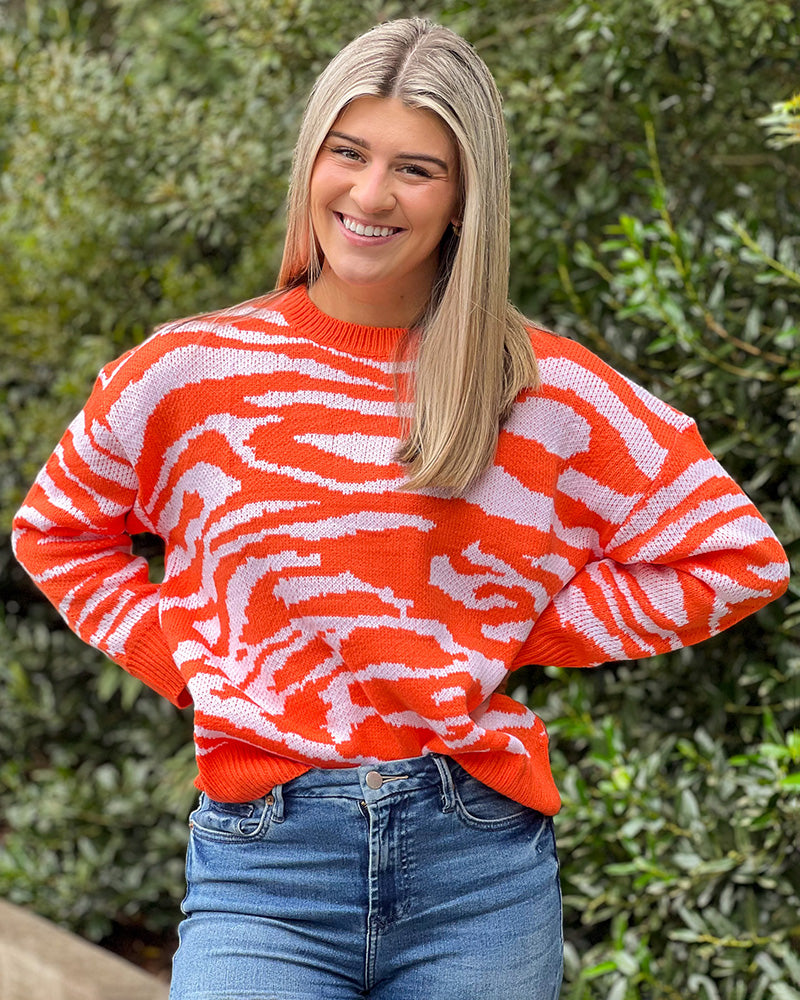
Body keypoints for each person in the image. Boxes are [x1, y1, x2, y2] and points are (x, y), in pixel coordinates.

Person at [11, 17, 789, 1000]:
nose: (370, 194)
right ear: (311, 159)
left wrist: (521, 627)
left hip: (477, 869)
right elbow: (57, 531)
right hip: (265, 870)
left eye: (415, 169)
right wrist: (192, 657)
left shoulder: (542, 389)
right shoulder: (188, 372)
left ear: (464, 198)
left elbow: (736, 558)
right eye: (348, 152)